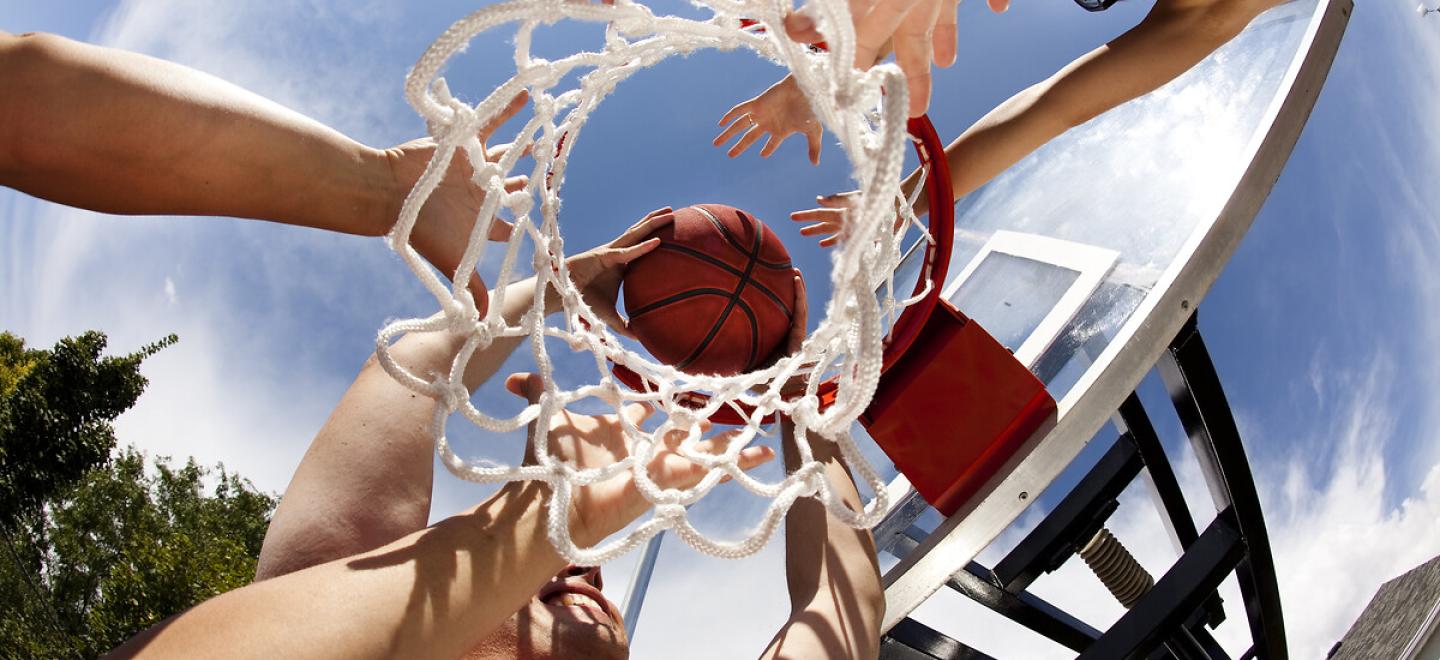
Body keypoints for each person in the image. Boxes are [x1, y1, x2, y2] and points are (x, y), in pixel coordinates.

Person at [1, 32, 887, 658]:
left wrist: (535, 273)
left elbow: (421, 365)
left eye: (552, 576)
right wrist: (801, 400)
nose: (583, 574)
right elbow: (841, 623)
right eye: (577, 568)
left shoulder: (320, 586)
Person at [721, 0, 1289, 233]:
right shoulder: (1204, 14)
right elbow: (1052, 110)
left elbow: (1055, 109)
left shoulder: (1210, 14)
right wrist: (907, 200)